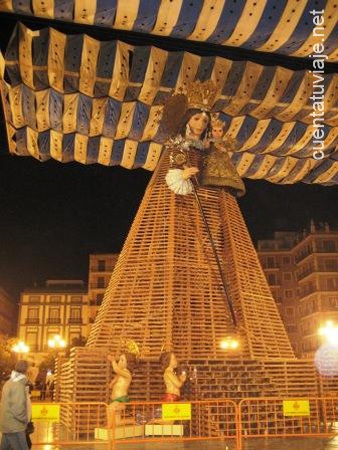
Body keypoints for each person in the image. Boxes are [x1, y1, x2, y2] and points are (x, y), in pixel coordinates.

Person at [201, 113, 246, 197]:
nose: (217, 133)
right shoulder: (209, 141)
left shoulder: (225, 141)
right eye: (215, 130)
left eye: (220, 130)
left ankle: (224, 192)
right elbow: (205, 150)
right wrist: (207, 145)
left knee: (226, 181)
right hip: (211, 163)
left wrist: (223, 149)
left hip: (224, 163)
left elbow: (231, 147)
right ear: (211, 131)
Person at [0, 360, 31, 450]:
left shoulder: (9, 383)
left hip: (7, 423)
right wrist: (25, 420)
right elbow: (18, 408)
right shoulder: (18, 385)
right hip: (15, 426)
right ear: (26, 371)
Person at [107, 352, 136, 428]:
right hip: (115, 400)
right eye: (119, 360)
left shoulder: (127, 374)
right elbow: (113, 383)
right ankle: (133, 421)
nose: (119, 362)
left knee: (110, 408)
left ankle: (109, 426)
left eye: (122, 360)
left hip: (121, 400)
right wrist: (112, 383)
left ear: (128, 363)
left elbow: (116, 369)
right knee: (117, 422)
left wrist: (113, 361)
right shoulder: (120, 374)